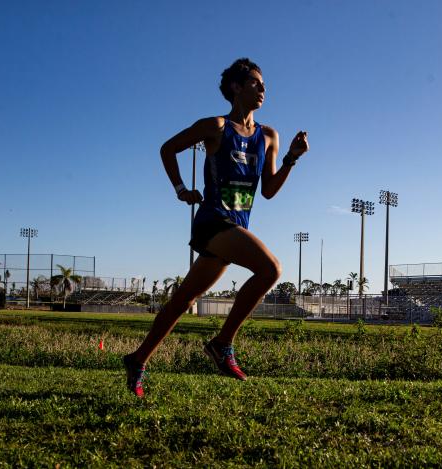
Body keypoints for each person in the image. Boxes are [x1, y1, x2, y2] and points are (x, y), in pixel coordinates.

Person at [123, 58, 309, 397]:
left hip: (235, 227)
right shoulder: (215, 126)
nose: (263, 89)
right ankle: (222, 344)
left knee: (183, 300)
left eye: (263, 83)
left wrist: (291, 159)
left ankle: (137, 360)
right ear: (236, 88)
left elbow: (267, 190)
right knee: (271, 269)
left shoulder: (268, 136)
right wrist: (181, 190)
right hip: (212, 222)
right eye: (255, 82)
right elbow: (168, 149)